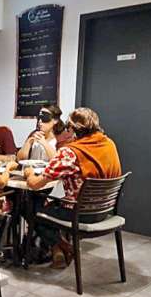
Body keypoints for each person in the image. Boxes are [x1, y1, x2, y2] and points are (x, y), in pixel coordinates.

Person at [25, 107, 122, 268]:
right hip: (104, 211)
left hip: (79, 213)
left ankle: (64, 246)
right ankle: (58, 249)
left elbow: (35, 184)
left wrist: (29, 173)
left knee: (28, 207)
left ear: (72, 129)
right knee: (45, 204)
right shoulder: (109, 144)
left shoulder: (70, 152)